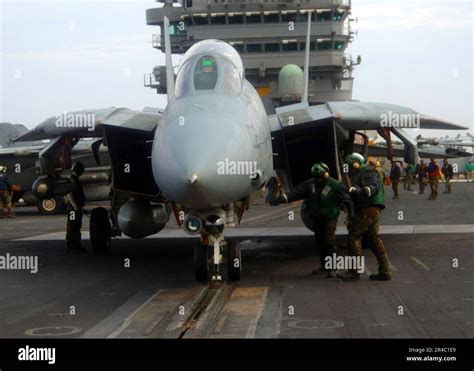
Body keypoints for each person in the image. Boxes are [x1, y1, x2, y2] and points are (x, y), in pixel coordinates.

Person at [270, 162, 353, 277]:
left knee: (329, 241)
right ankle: (324, 266)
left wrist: (352, 215)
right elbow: (296, 193)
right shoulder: (309, 185)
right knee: (320, 242)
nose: (318, 180)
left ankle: (333, 268)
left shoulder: (336, 186)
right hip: (317, 218)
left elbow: (347, 200)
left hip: (330, 217)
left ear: (326, 173)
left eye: (320, 177)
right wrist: (281, 199)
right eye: (316, 177)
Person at [338, 153, 391, 281]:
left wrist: (361, 190)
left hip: (368, 209)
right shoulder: (363, 173)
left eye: (351, 167)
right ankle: (385, 271)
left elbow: (373, 187)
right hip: (374, 209)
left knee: (354, 237)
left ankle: (353, 271)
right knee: (374, 239)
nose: (350, 170)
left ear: (356, 163)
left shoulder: (367, 172)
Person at [65, 162, 86, 252]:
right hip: (73, 209)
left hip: (74, 208)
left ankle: (75, 246)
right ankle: (71, 246)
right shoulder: (73, 180)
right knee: (72, 227)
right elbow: (69, 194)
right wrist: (75, 206)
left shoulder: (74, 179)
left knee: (76, 226)